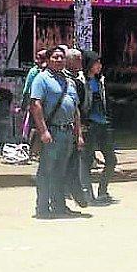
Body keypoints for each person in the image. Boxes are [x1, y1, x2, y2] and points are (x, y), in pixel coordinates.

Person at [28, 46, 86, 219]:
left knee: (61, 171)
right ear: (48, 59)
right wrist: (43, 131)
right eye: (55, 57)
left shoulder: (69, 81)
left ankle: (59, 205)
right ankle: (42, 208)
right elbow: (35, 106)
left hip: (67, 132)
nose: (59, 60)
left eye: (62, 57)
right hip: (52, 132)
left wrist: (79, 134)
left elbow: (75, 109)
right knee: (46, 171)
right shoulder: (42, 79)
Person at [82, 55, 118, 205]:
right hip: (89, 124)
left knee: (111, 160)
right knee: (87, 160)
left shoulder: (100, 81)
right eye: (96, 63)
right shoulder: (82, 81)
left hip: (103, 123)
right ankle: (87, 192)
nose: (99, 65)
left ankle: (103, 190)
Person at [60, 47, 91, 208]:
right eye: (77, 59)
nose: (80, 62)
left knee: (74, 162)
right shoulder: (63, 79)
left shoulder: (79, 79)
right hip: (61, 127)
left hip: (76, 126)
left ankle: (77, 192)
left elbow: (78, 108)